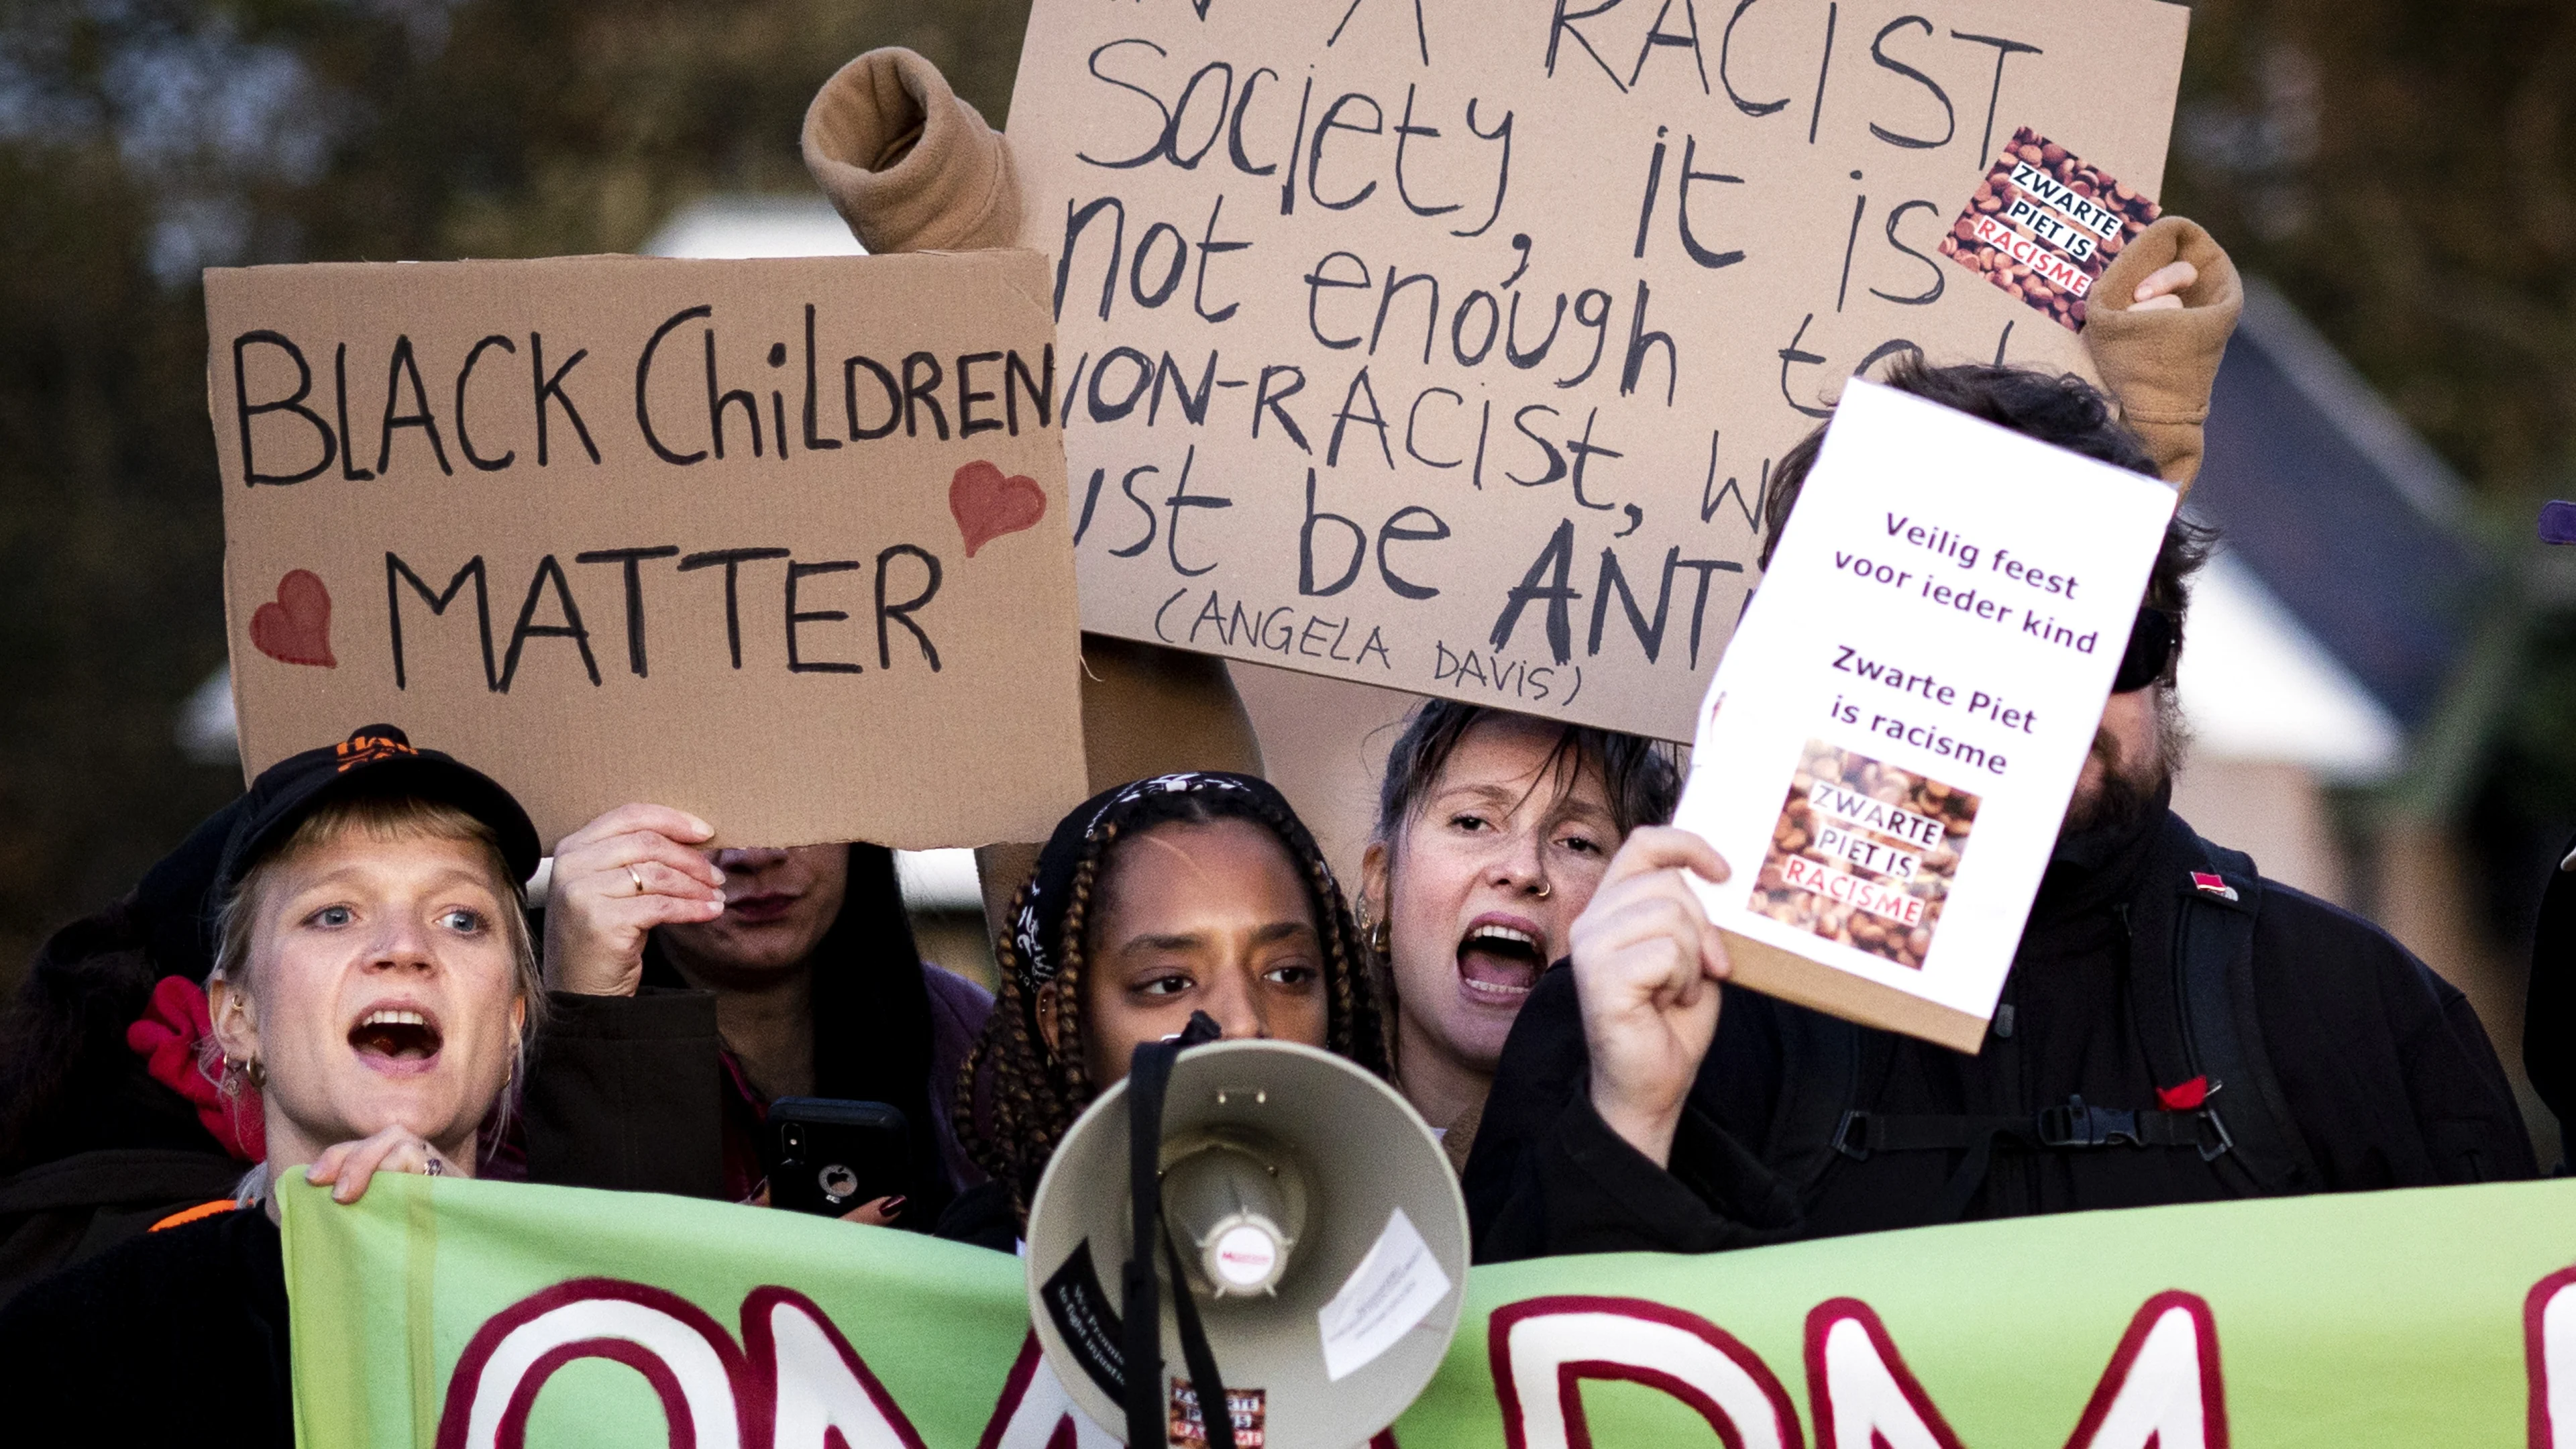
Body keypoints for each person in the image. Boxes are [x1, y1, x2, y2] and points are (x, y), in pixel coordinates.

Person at [1463, 361, 2540, 1260]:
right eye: (1976, 631)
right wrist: (1628, 1120)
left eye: (2111, 641)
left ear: (2170, 663)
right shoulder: (1637, 1012)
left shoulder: (2358, 1012)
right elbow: (1522, 1398)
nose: (2051, 694)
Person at [0, 725, 543, 1443]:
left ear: (513, 1022)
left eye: (461, 918)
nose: (405, 948)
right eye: (335, 914)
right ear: (237, 1017)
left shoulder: (626, 1325)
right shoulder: (72, 1350)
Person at [943, 771, 1390, 1248]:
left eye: (1288, 975)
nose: (1242, 1022)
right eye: (1170, 984)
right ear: (1062, 1023)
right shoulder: (965, 1269)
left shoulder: (1406, 1232)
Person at [527, 808, 988, 1228]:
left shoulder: (971, 1034)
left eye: (792, 793)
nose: (756, 854)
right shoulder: (506, 1064)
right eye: (697, 804)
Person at [1356, 702, 1677, 1168]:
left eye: (1577, 842)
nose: (1524, 870)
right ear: (1383, 878)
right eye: (1472, 822)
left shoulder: (1683, 1153)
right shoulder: (1279, 1095)